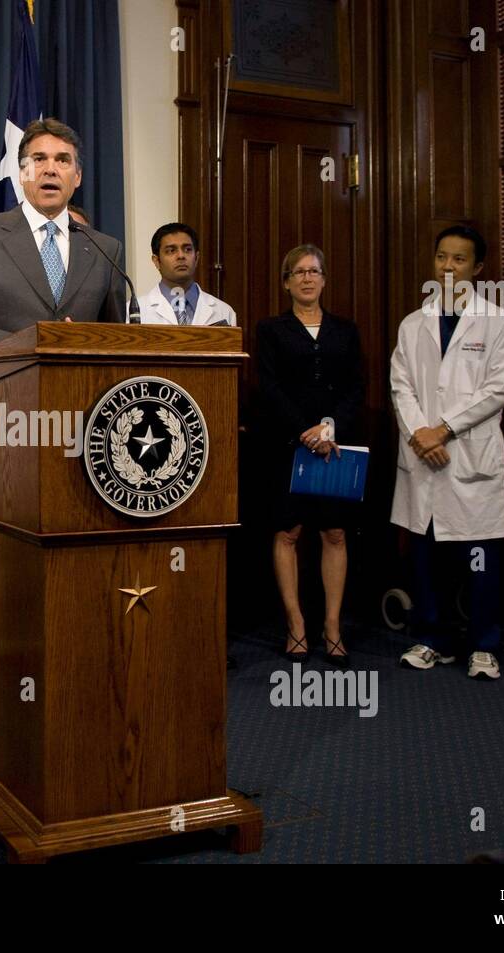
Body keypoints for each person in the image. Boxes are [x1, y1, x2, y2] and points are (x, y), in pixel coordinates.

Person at [0, 117, 124, 778]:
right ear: (21, 169)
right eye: (37, 157)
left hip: (77, 446)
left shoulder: (106, 249)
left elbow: (114, 345)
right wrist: (28, 345)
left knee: (70, 589)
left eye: (62, 159)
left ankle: (69, 721)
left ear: (76, 174)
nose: (49, 168)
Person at [391, 225, 504, 680]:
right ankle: (432, 640)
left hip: (468, 457)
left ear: (478, 268)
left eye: (459, 260)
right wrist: (420, 434)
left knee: (479, 557)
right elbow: (401, 386)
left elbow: (499, 390)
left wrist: (443, 430)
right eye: (442, 257)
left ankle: (484, 644)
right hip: (423, 456)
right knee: (425, 555)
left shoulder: (499, 322)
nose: (448, 267)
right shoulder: (413, 324)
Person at [254, 244, 363, 666]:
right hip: (286, 446)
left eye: (313, 271)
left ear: (323, 279)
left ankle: (332, 626)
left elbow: (356, 387)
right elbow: (270, 386)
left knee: (334, 534)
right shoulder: (271, 329)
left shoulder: (346, 330)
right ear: (286, 282)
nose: (306, 278)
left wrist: (329, 427)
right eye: (297, 272)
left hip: (335, 447)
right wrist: (306, 431)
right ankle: (296, 624)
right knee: (288, 533)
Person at [138, 223, 237, 326]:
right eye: (171, 251)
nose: (181, 256)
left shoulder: (224, 312)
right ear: (156, 261)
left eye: (187, 250)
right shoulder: (136, 311)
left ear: (197, 258)